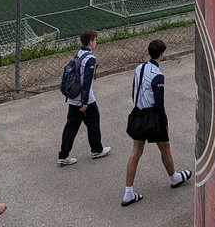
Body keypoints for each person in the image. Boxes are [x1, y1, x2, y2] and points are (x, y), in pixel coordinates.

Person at [121, 39, 192, 207]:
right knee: (165, 148)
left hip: (138, 113)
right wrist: (163, 121)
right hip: (152, 117)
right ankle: (174, 178)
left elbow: (134, 89)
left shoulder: (139, 68)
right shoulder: (158, 75)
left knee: (136, 151)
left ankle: (128, 192)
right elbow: (159, 102)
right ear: (162, 54)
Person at [58, 29, 111, 166]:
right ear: (91, 42)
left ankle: (63, 155)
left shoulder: (79, 53)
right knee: (93, 122)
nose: (96, 42)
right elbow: (86, 82)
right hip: (85, 100)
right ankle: (97, 150)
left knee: (71, 126)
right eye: (95, 40)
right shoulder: (90, 58)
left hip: (73, 98)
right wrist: (85, 101)